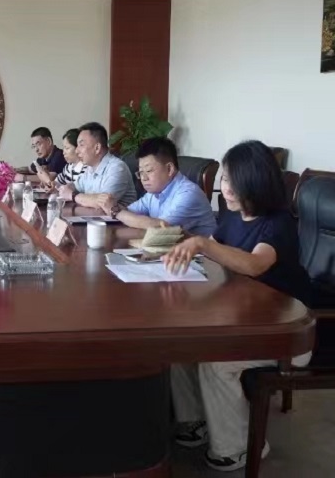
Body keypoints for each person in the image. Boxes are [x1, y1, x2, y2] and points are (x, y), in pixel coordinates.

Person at [163, 140, 311, 472]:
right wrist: (172, 255)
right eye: (225, 178)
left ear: (255, 181)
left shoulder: (279, 223)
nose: (224, 187)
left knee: (216, 362)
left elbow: (254, 264)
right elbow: (213, 254)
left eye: (232, 180)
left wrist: (202, 244)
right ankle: (195, 420)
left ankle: (240, 445)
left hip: (286, 333)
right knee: (178, 343)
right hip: (245, 319)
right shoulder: (232, 217)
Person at [99, 137, 216, 236]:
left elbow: (161, 227)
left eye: (149, 170)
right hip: (170, 250)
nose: (143, 178)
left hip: (201, 255)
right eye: (141, 172)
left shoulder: (188, 194)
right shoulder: (154, 193)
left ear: (169, 169)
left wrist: (116, 211)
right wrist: (110, 205)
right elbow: (129, 212)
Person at [57, 122, 137, 207]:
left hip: (117, 216)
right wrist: (66, 188)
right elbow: (76, 186)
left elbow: (104, 203)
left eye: (81, 145)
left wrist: (73, 196)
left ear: (97, 148)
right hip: (90, 215)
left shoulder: (117, 168)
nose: (77, 151)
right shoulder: (90, 168)